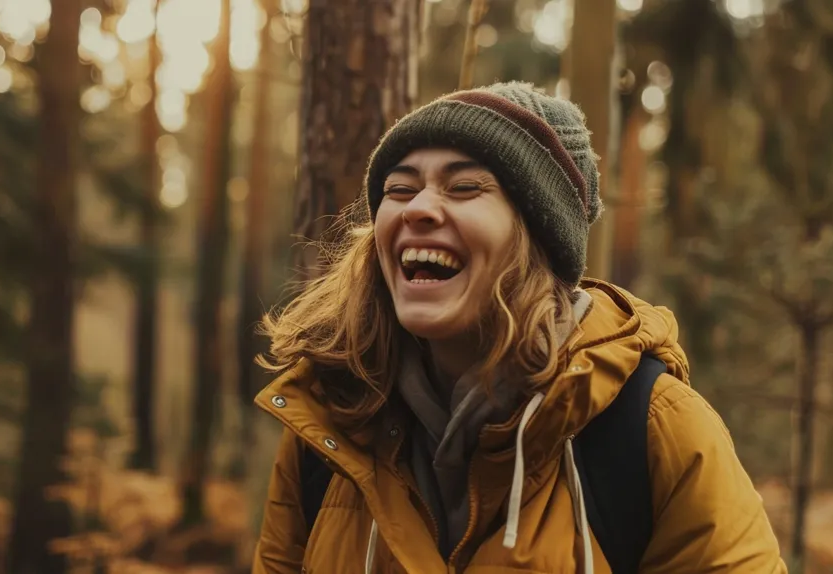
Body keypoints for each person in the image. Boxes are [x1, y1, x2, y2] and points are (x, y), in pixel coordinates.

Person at [251, 81, 786, 573]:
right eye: (399, 188)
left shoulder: (652, 429)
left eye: (464, 187)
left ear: (538, 239)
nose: (419, 208)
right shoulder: (332, 419)